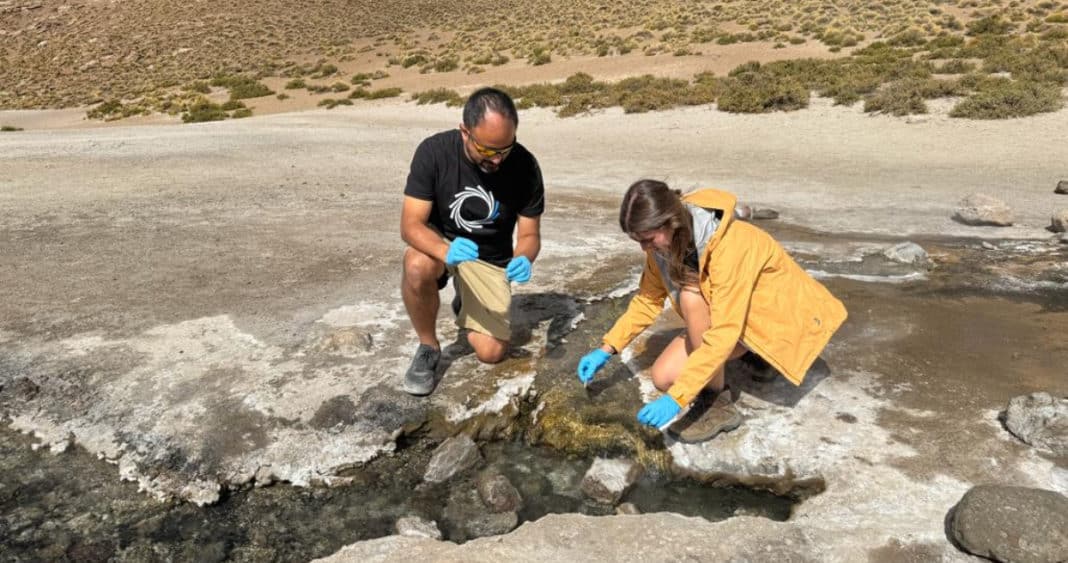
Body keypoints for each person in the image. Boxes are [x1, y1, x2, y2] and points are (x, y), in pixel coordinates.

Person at [576, 179, 847, 442]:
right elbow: (648, 300)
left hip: (779, 321)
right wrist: (607, 348)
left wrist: (677, 399)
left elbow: (724, 331)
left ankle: (718, 405)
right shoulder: (664, 246)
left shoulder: (731, 246)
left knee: (691, 299)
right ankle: (752, 355)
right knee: (663, 377)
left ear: (670, 222)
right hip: (736, 318)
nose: (645, 248)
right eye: (638, 240)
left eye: (647, 238)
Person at [400, 87, 545, 396]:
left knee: (491, 353)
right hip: (442, 249)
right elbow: (410, 225)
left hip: (489, 261)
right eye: (488, 151)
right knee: (416, 263)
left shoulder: (524, 166)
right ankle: (428, 346)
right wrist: (444, 249)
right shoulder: (434, 152)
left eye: (505, 149)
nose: (497, 160)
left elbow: (530, 234)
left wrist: (524, 257)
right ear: (464, 131)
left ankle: (464, 301)